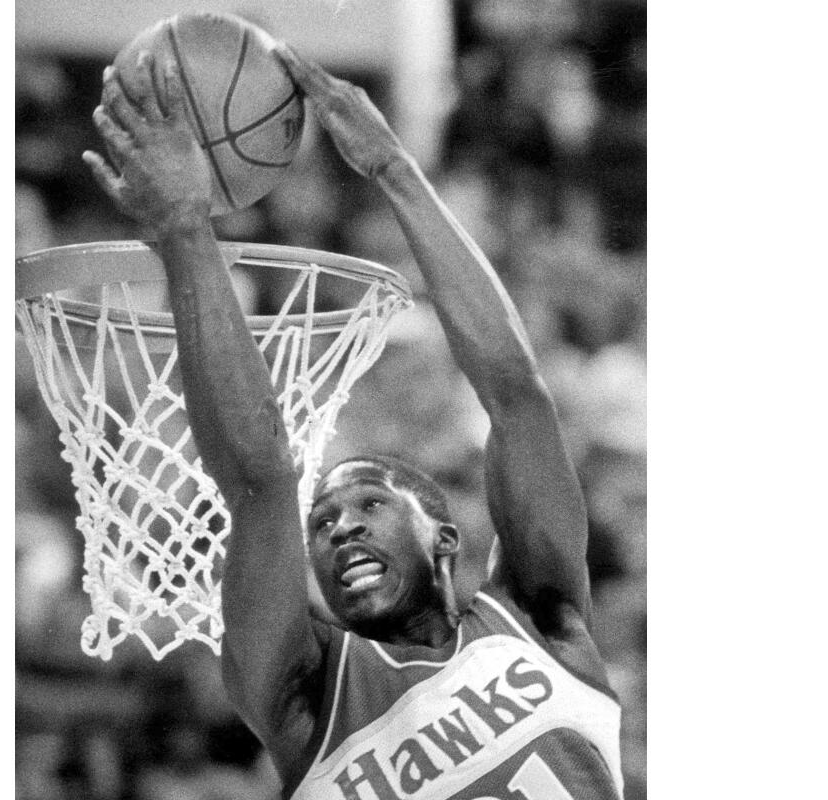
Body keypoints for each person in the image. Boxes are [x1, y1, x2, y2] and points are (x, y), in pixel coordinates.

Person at [83, 43, 624, 800]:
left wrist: (394, 169)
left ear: (445, 537)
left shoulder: (539, 617)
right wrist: (183, 229)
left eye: (370, 503)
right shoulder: (306, 702)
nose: (339, 528)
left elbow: (516, 396)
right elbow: (261, 480)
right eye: (324, 523)